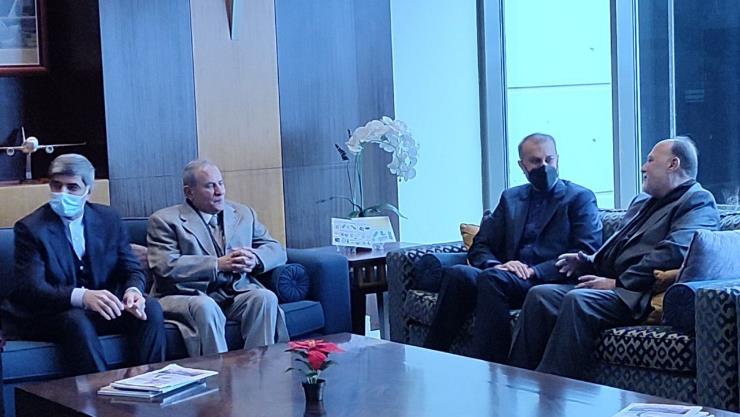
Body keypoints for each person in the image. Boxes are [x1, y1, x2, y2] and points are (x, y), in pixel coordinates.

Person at [508, 137, 719, 378]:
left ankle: (555, 387)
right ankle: (516, 381)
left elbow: (674, 252)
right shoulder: (644, 202)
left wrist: (618, 283)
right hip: (613, 288)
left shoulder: (697, 201)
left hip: (638, 294)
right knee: (540, 295)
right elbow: (617, 247)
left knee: (579, 300)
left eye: (650, 160)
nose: (643, 167)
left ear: (673, 164)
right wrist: (588, 262)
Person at [424, 133, 603, 362]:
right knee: (458, 274)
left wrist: (534, 271)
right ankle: (430, 359)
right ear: (522, 165)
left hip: (547, 280)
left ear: (557, 159)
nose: (544, 166)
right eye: (535, 161)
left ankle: (492, 368)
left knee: (493, 280)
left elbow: (586, 250)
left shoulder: (579, 198)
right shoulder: (511, 198)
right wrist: (496, 265)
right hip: (508, 276)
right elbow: (481, 245)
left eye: (549, 159)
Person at [2, 154, 166, 374]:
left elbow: (131, 269)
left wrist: (133, 291)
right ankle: (102, 390)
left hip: (99, 310)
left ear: (88, 191)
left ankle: (151, 382)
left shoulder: (108, 219)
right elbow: (33, 289)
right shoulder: (31, 228)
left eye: (72, 187)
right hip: (49, 313)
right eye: (57, 186)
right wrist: (82, 296)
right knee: (76, 320)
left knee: (150, 308)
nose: (63, 194)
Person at [147, 159, 288, 357]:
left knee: (264, 298)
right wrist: (217, 265)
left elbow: (276, 250)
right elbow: (165, 266)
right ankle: (220, 373)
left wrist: (254, 258)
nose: (219, 191)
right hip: (186, 295)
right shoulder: (164, 220)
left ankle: (259, 368)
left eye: (220, 183)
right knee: (206, 307)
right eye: (210, 186)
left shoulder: (243, 214)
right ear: (189, 192)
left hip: (234, 292)